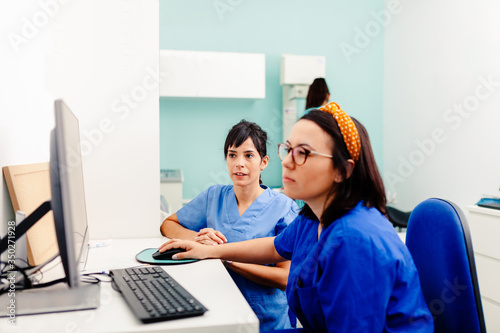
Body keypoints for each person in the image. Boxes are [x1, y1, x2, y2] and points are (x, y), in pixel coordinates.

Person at [158, 103, 434, 332]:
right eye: (288, 149)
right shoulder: (311, 219)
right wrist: (211, 251)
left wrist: (220, 256)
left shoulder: (355, 240)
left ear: (342, 170)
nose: (288, 160)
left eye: (303, 153)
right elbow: (272, 246)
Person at [160, 120, 299, 331]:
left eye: (249, 155)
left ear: (264, 162)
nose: (239, 163)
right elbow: (168, 224)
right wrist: (198, 241)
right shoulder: (213, 196)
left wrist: (223, 257)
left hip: (264, 321)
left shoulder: (283, 207)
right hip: (215, 311)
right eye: (232, 155)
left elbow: (286, 278)